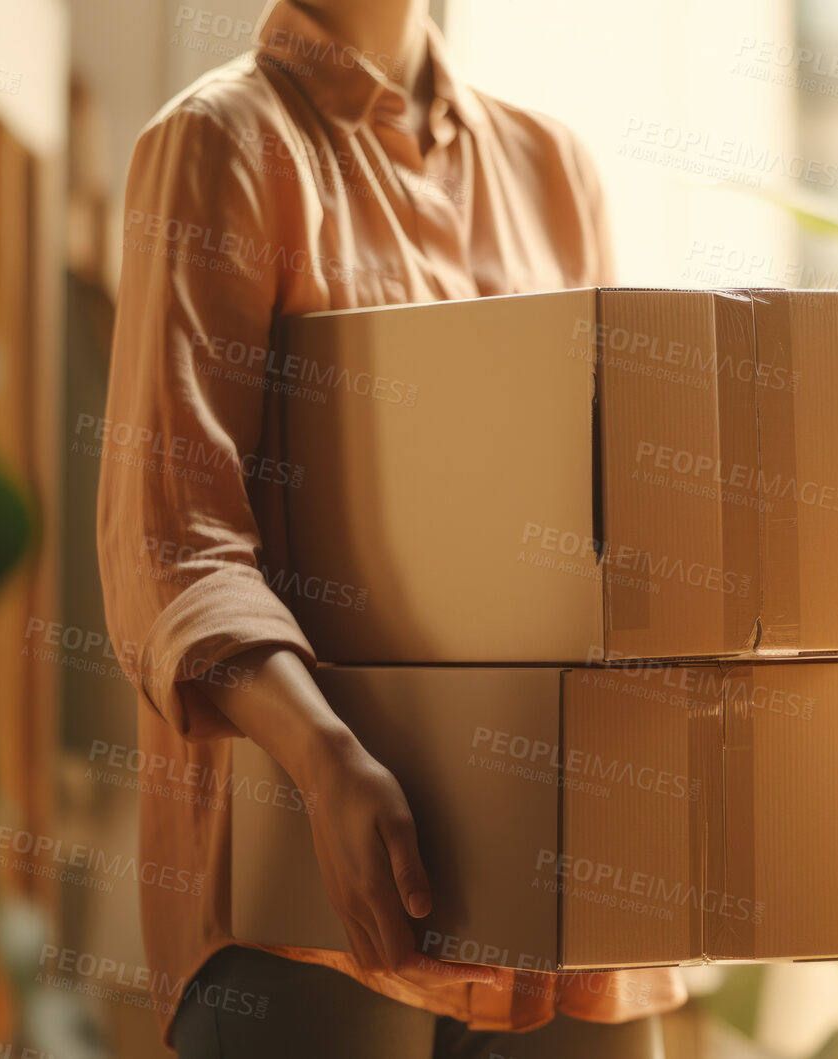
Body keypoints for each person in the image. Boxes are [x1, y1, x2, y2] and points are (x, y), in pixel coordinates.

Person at [95, 1, 682, 1054]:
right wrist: (324, 760)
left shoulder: (552, 167)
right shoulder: (222, 142)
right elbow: (172, 539)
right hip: (306, 894)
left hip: (554, 889)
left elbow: (605, 518)